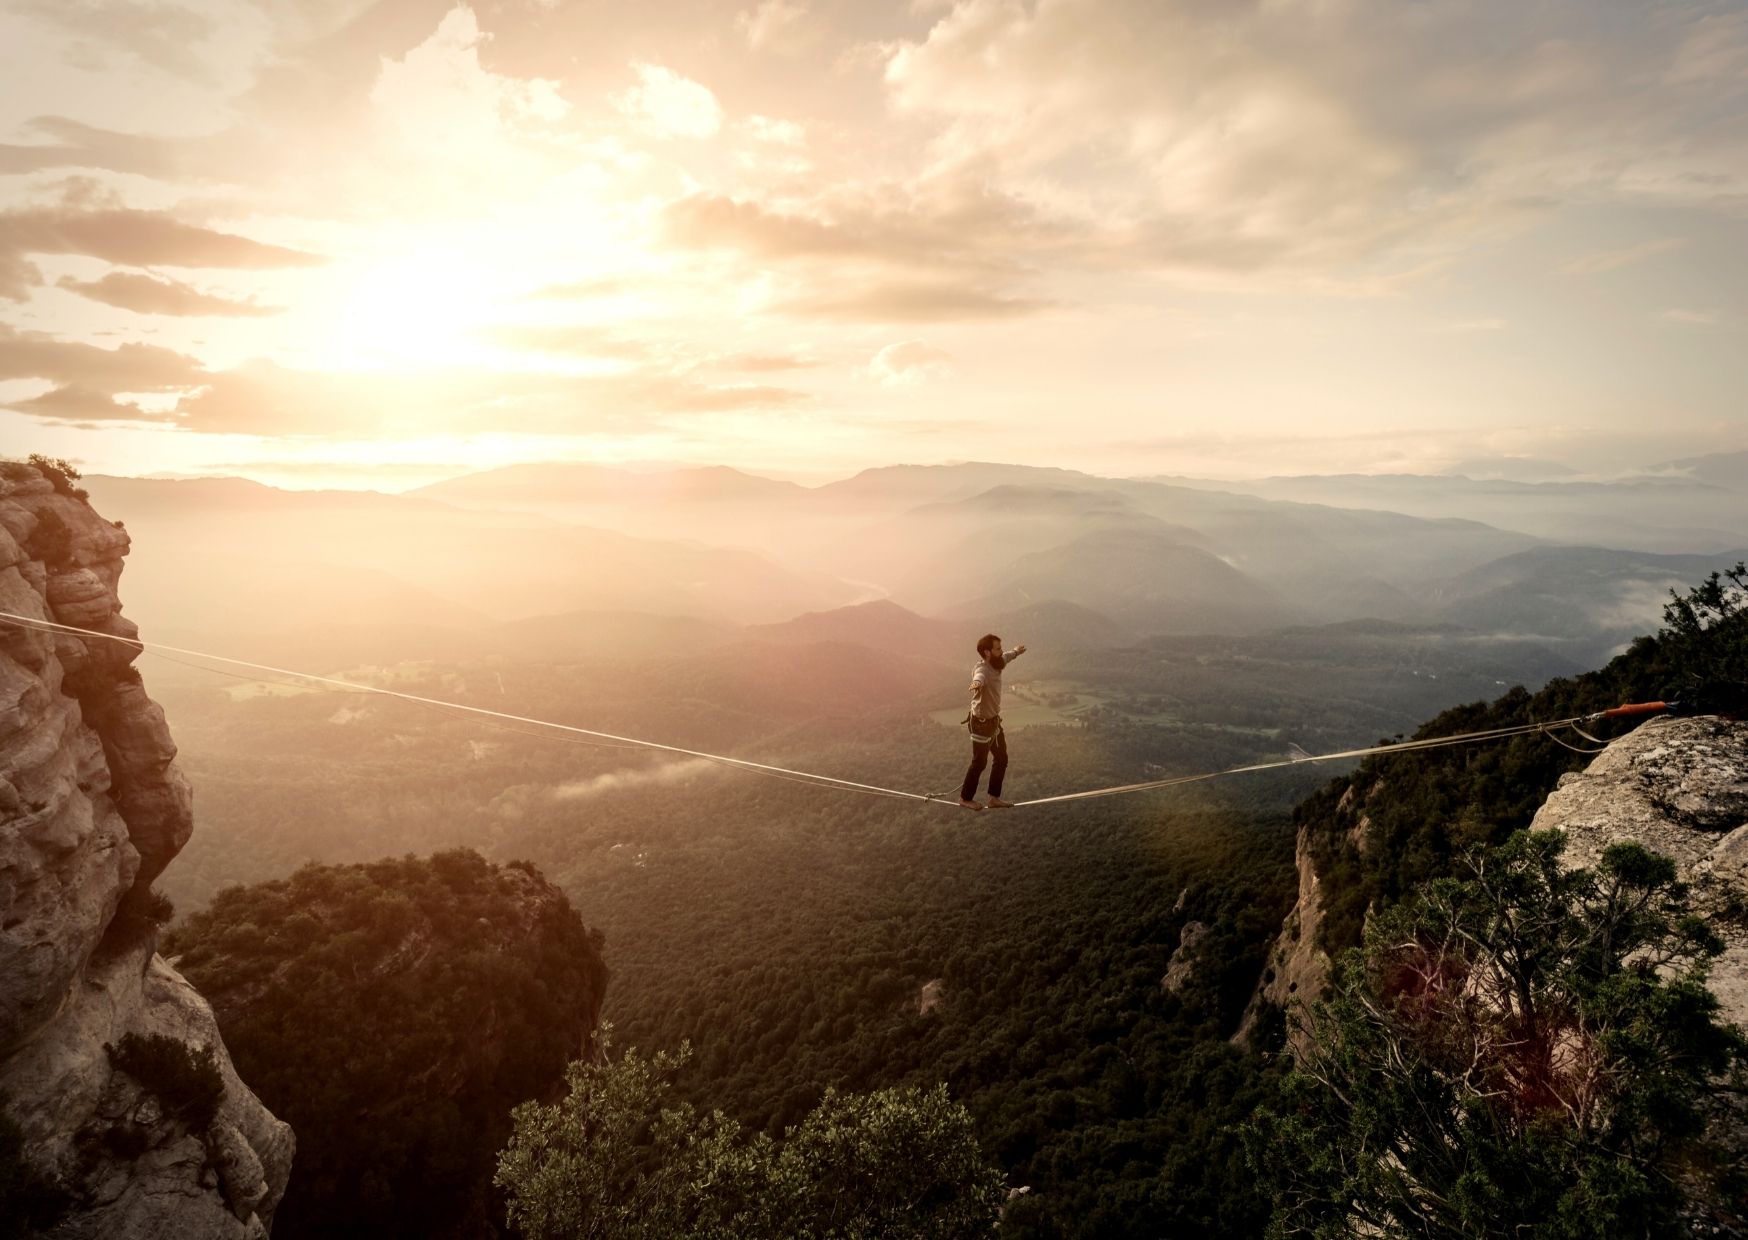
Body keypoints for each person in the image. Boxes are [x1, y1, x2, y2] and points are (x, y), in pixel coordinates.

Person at [959, 634, 1026, 810]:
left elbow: (1006, 657)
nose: (1001, 651)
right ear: (987, 652)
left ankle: (993, 798)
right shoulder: (982, 670)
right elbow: (978, 678)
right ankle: (965, 798)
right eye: (997, 648)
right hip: (981, 724)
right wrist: (976, 684)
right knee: (979, 763)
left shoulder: (997, 663)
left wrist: (1016, 652)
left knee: (1001, 758)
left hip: (994, 722)